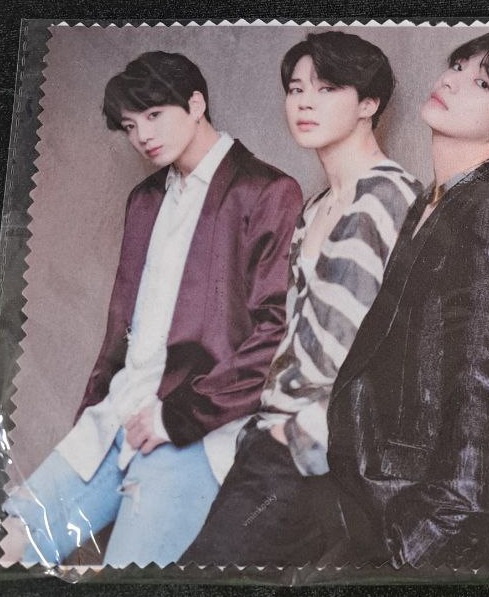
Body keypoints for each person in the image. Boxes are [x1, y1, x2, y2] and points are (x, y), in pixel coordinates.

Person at [1, 51, 302, 567]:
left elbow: (276, 333)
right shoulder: (145, 200)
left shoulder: (266, 191)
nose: (142, 136)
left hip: (197, 431)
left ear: (196, 104)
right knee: (11, 547)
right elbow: (122, 330)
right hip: (117, 416)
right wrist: (92, 413)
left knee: (127, 576)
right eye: (129, 125)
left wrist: (179, 416)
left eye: (154, 115)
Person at [325, 29, 489, 569]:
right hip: (371, 507)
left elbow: (486, 436)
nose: (451, 81)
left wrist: (408, 552)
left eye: (481, 83)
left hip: (421, 538)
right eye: (458, 66)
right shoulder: (433, 204)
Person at [180, 31, 424, 565]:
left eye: (327, 88)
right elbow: (295, 335)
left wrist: (286, 433)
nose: (305, 102)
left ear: (368, 103)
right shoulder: (316, 207)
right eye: (296, 89)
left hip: (317, 453)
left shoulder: (386, 195)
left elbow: (358, 350)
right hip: (275, 441)